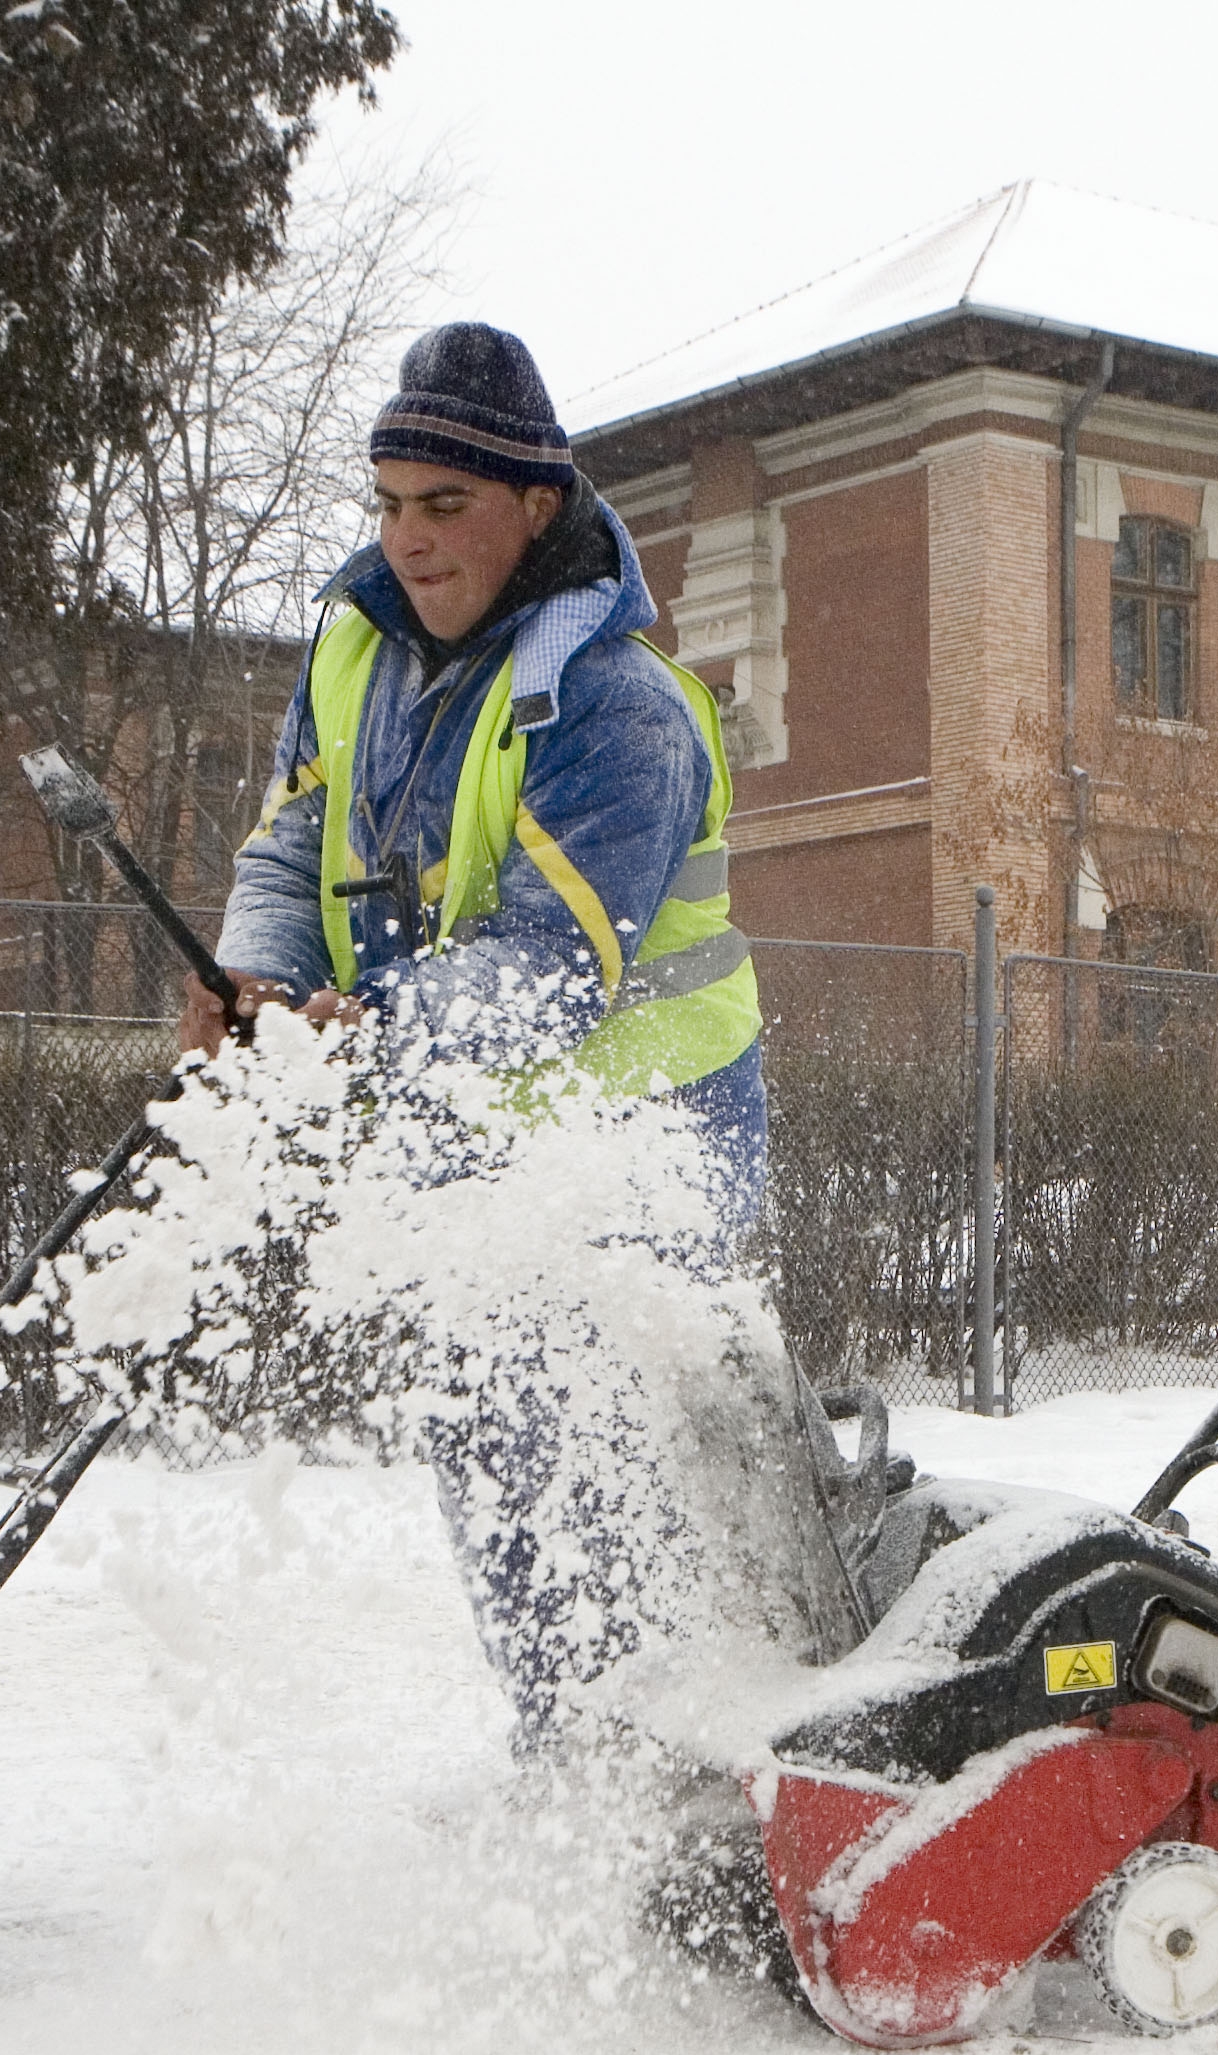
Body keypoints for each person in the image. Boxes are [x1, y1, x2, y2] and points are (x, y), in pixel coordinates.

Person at [206, 321, 784, 1753]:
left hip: (643, 1139)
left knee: (601, 1440)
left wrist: (369, 1035)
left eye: (444, 504)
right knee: (488, 1433)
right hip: (469, 1121)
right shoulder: (356, 653)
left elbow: (546, 968)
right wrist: (260, 979)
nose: (407, 538)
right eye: (390, 503)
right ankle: (574, 1751)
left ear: (534, 504)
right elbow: (296, 840)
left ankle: (673, 1749)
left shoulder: (620, 707)